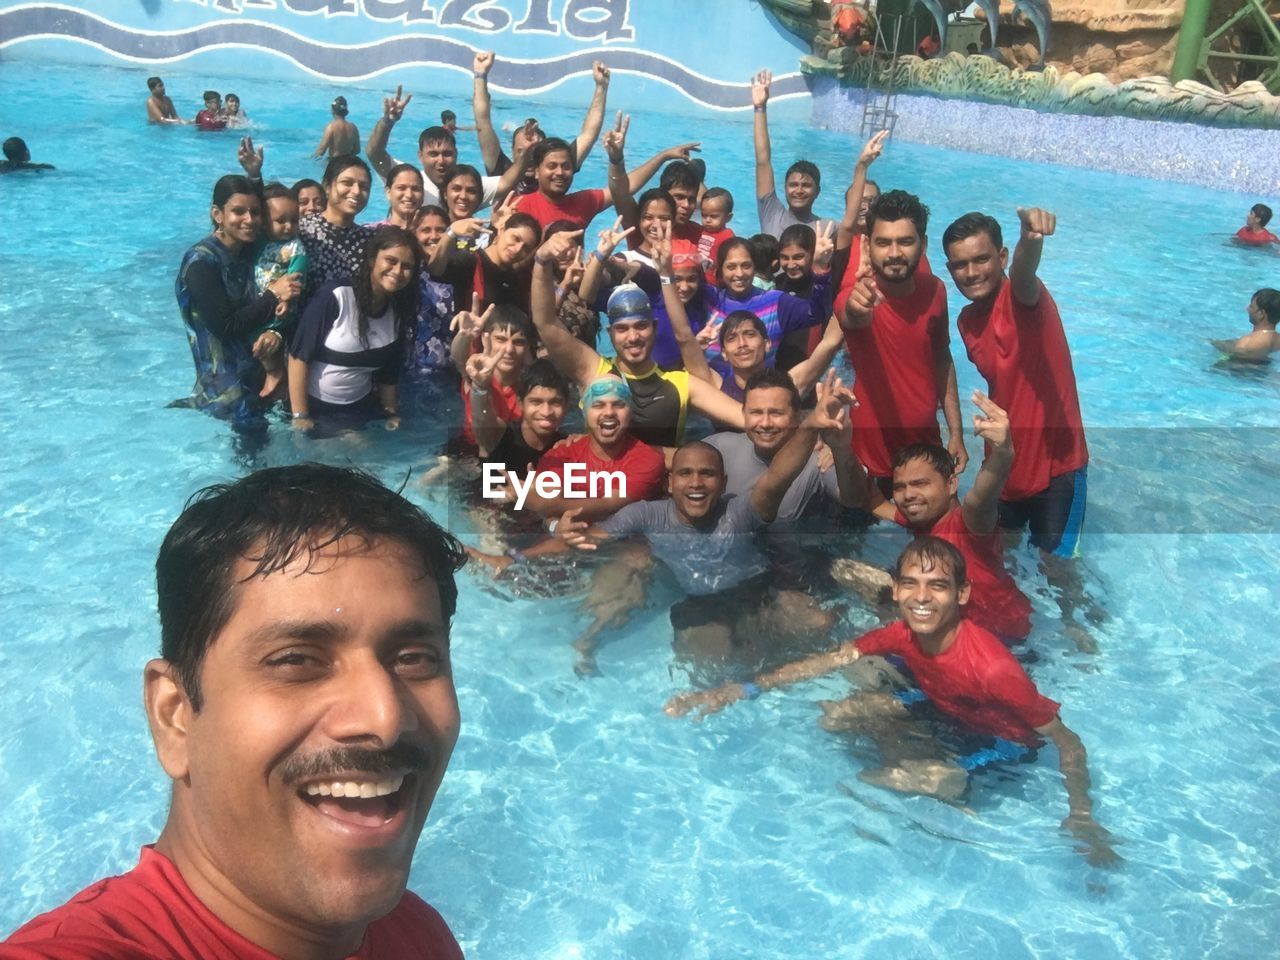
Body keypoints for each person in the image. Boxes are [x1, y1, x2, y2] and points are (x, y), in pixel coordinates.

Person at [0, 464, 468, 958]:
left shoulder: (416, 933)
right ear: (174, 714)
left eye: (413, 659)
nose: (384, 717)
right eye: (296, 661)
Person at [665, 536, 1120, 868]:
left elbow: (1067, 740)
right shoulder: (903, 631)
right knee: (838, 716)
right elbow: (832, 659)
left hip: (1005, 744)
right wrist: (739, 689)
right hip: (945, 705)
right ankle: (915, 753)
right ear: (896, 589)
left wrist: (1081, 814)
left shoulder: (994, 669)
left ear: (961, 595)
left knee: (883, 781)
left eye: (937, 586)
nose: (922, 597)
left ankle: (944, 795)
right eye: (911, 584)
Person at [490, 380, 851, 672]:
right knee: (707, 667)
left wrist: (812, 427)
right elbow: (586, 540)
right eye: (686, 475)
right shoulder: (647, 516)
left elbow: (775, 479)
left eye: (707, 475)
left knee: (824, 627)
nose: (696, 483)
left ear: (723, 483)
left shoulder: (739, 512)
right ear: (670, 482)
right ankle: (590, 641)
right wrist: (517, 559)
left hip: (757, 592)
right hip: (699, 606)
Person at [942, 207, 1088, 563]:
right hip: (1005, 463)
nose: (972, 272)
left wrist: (1030, 239)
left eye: (982, 259)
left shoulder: (1024, 300)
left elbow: (1024, 273)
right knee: (993, 561)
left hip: (1058, 469)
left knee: (1057, 573)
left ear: (1002, 256)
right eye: (961, 265)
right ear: (949, 270)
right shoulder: (967, 321)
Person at [530, 231, 746, 449]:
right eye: (622, 329)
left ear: (654, 327)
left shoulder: (681, 384)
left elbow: (745, 418)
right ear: (610, 332)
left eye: (641, 326)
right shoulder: (594, 371)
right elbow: (545, 322)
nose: (633, 337)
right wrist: (541, 260)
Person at [845, 400, 1034, 644]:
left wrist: (1003, 452)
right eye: (900, 487)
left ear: (951, 485)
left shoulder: (968, 524)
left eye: (921, 484)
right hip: (953, 628)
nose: (909, 495)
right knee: (846, 570)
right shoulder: (920, 519)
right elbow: (871, 501)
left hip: (1003, 637)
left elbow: (980, 500)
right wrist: (841, 448)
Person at [839, 189, 966, 489]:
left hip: (927, 448)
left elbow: (941, 358)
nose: (894, 253)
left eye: (905, 241)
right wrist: (857, 306)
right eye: (883, 242)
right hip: (869, 457)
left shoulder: (935, 290)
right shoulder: (855, 293)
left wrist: (956, 433)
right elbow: (850, 313)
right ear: (867, 245)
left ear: (922, 244)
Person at [175, 175, 300, 430]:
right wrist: (273, 295)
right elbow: (226, 326)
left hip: (258, 380)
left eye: (255, 213)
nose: (249, 220)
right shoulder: (201, 263)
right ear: (217, 214)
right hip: (225, 392)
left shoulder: (247, 253)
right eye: (238, 212)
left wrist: (255, 175)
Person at [288, 226, 421, 434]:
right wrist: (300, 416)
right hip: (316, 409)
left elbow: (389, 375)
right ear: (371, 260)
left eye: (406, 266)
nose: (397, 271)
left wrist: (390, 413)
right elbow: (298, 357)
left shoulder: (398, 311)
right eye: (390, 260)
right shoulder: (335, 296)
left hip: (361, 410)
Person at [704, 368, 867, 525]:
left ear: (797, 416)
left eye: (776, 413)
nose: (765, 423)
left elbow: (854, 499)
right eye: (756, 413)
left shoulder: (819, 462)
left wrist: (841, 450)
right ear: (743, 413)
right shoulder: (718, 449)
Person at [511, 375, 666, 521]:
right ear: (584, 413)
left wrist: (547, 505)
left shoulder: (647, 459)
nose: (609, 412)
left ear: (630, 411)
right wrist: (553, 522)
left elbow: (609, 506)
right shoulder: (561, 455)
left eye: (619, 405)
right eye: (598, 405)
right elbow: (549, 502)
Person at [472, 51, 610, 191]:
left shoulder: (556, 174)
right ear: (511, 152)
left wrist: (601, 87)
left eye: (535, 150)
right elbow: (483, 121)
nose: (529, 156)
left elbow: (589, 134)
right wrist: (479, 75)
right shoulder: (500, 171)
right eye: (522, 150)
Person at [367, 85, 518, 211]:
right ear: (420, 156)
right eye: (433, 154)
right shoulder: (408, 182)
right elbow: (374, 153)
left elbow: (506, 182)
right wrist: (387, 122)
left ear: (456, 155)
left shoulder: (464, 189)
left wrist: (527, 153)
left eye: (447, 154)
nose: (441, 161)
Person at [751, 69, 832, 239]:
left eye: (807, 185)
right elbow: (763, 161)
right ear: (785, 188)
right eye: (793, 184)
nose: (799, 190)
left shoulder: (826, 229)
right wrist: (760, 108)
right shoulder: (771, 213)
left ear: (818, 191)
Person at [451, 298, 537, 448]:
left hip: (513, 453)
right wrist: (466, 335)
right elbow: (459, 358)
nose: (509, 350)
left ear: (527, 347)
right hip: (467, 451)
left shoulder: (531, 383)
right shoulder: (477, 370)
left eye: (518, 342)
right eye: (501, 339)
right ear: (486, 339)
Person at [250, 182, 309, 397]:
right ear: (265, 223)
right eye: (280, 221)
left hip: (283, 305)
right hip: (262, 300)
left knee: (265, 337)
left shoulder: (296, 247)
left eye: (294, 221)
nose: (288, 226)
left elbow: (297, 277)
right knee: (251, 334)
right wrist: (254, 175)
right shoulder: (258, 241)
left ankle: (273, 371)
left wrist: (287, 302)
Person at [472, 357, 570, 474]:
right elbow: (482, 421)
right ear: (520, 403)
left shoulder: (569, 447)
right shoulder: (501, 437)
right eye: (536, 402)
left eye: (555, 402)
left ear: (567, 406)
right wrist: (480, 388)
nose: (546, 412)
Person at [1209, 287, 1280, 362]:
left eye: (1251, 306)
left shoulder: (1245, 344)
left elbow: (1225, 364)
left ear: (1261, 313)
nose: (1247, 308)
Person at [376, 163, 426, 230]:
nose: (409, 195)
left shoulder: (433, 234)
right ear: (388, 192)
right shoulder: (373, 233)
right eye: (401, 188)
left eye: (415, 189)